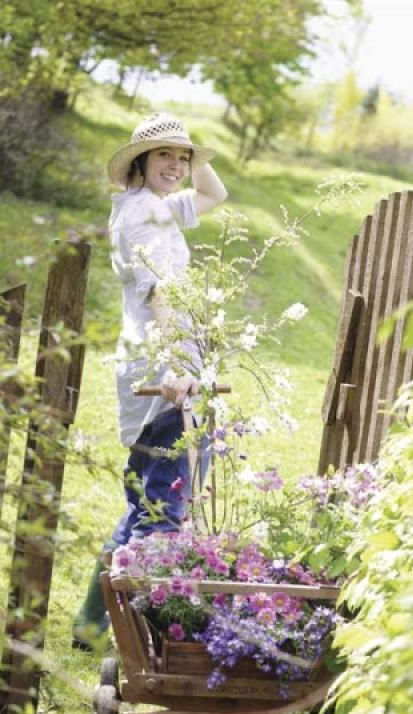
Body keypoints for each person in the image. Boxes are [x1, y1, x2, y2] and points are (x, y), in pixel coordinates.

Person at [72, 112, 227, 649]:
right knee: (163, 510)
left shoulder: (154, 208)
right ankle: (144, 639)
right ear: (138, 161)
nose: (178, 166)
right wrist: (179, 366)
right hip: (164, 370)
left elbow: (216, 192)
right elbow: (159, 290)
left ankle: (90, 627)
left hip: (158, 364)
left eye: (182, 157)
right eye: (164, 155)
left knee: (146, 502)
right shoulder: (145, 217)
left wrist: (191, 160)